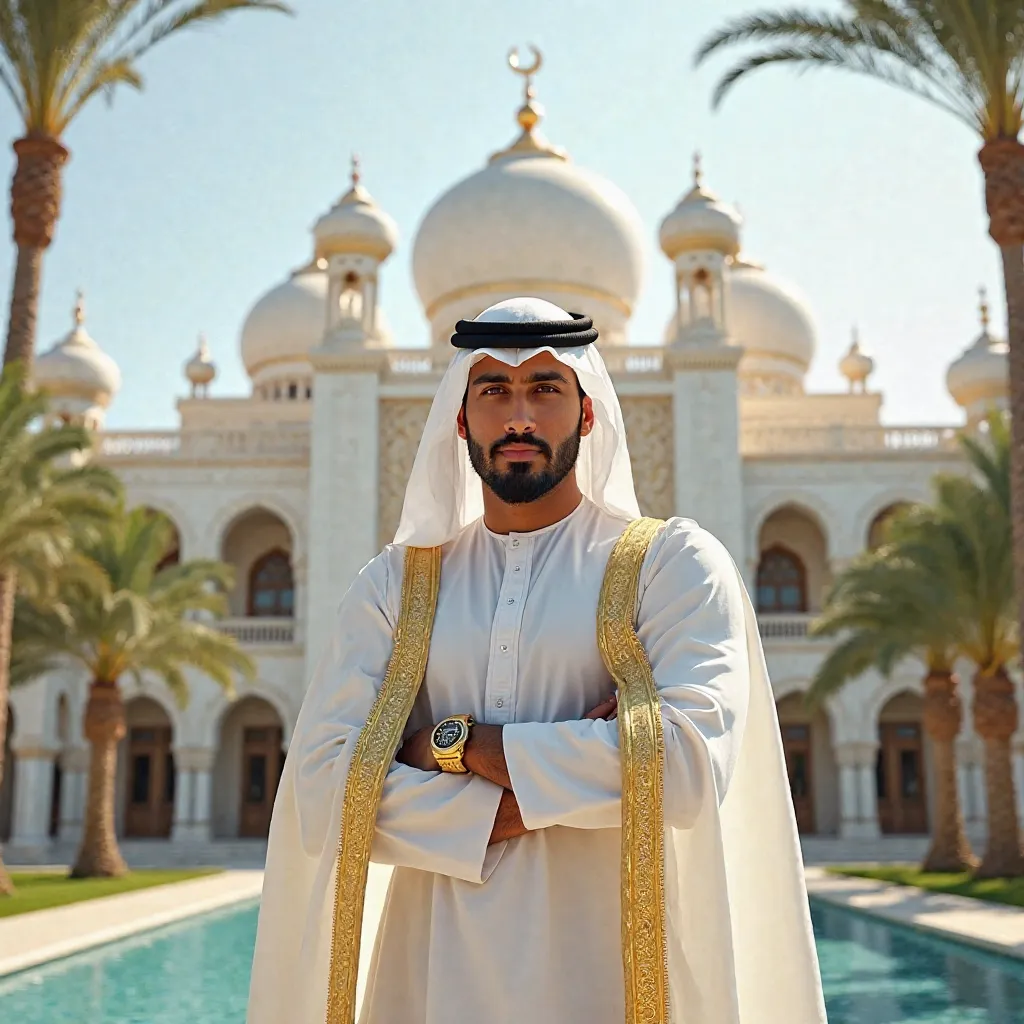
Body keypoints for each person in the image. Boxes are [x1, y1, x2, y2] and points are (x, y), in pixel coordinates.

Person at [247, 297, 827, 1024]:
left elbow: (684, 769)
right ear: (460, 418)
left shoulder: (671, 566)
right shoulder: (395, 586)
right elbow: (320, 791)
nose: (518, 416)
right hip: (432, 987)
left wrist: (442, 744)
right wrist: (577, 775)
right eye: (493, 391)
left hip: (610, 983)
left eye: (545, 389)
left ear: (587, 413)